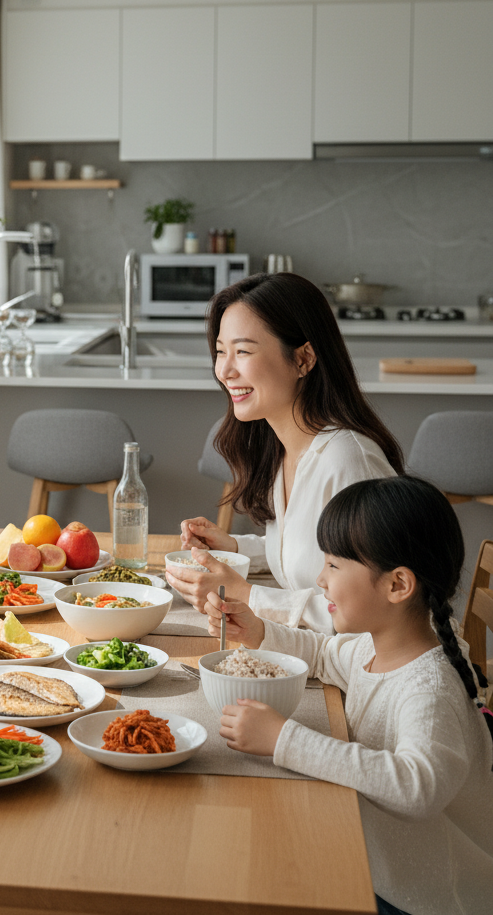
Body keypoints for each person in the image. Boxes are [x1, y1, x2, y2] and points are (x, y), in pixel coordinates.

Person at [205, 476, 493, 915]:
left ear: (398, 585)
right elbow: (322, 653)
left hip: (424, 897)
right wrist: (260, 630)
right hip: (375, 858)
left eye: (335, 565)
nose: (320, 580)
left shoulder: (429, 690)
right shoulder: (373, 645)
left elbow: (417, 787)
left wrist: (286, 739)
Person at [167, 272, 403, 631]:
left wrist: (247, 594)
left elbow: (368, 614)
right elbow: (310, 553)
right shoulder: (287, 450)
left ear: (304, 359)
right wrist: (233, 547)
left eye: (243, 351)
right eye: (220, 352)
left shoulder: (347, 462)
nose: (225, 371)